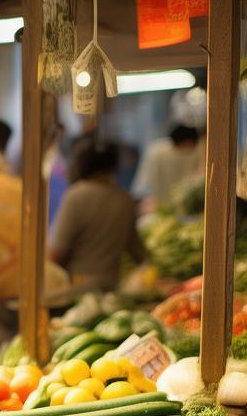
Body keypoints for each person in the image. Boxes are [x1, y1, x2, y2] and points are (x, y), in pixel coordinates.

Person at [50, 144, 147, 292]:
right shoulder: (124, 199)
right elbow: (136, 250)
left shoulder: (76, 196)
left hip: (77, 288)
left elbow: (58, 250)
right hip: (112, 287)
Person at [131, 124, 203, 212]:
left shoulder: (154, 149)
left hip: (163, 207)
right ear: (187, 142)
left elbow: (140, 186)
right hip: (165, 207)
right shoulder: (194, 152)